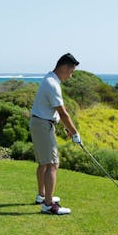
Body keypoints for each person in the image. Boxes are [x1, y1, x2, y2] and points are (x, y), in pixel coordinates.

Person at [29, 53, 82, 215]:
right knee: (53, 164)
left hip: (39, 123)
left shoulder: (50, 79)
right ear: (65, 67)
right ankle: (48, 204)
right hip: (42, 125)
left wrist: (64, 127)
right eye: (71, 72)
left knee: (44, 163)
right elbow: (64, 113)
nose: (71, 75)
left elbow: (53, 110)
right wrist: (75, 133)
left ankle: (42, 195)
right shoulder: (52, 84)